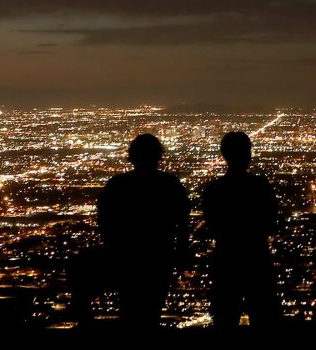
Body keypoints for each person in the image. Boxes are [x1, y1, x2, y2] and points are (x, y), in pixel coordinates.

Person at [71, 133, 190, 327]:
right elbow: (183, 222)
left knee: (129, 309)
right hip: (159, 258)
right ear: (159, 156)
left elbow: (105, 222)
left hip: (124, 258)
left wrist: (115, 247)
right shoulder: (170, 184)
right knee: (152, 312)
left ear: (132, 156)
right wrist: (180, 252)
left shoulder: (117, 185)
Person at [200, 131, 280, 328]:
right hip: (257, 257)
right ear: (248, 154)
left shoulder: (214, 189)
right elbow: (272, 223)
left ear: (224, 155)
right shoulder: (261, 186)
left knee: (225, 317)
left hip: (225, 258)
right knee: (263, 316)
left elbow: (211, 225)